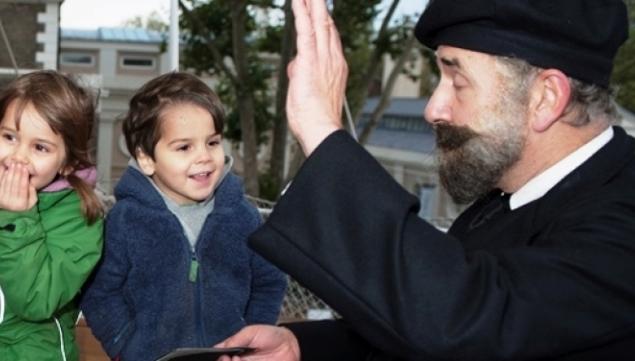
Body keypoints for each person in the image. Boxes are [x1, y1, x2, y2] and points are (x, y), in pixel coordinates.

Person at [216, 0, 635, 360]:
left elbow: (470, 321)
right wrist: (302, 346)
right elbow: (420, 319)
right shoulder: (505, 201)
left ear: (545, 98)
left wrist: (321, 131)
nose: (433, 108)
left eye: (458, 80)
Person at [80, 72, 287, 361]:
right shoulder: (125, 221)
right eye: (184, 147)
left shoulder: (242, 216)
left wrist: (252, 337)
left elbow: (270, 281)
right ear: (146, 159)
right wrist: (126, 345)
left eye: (212, 142)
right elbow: (100, 292)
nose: (204, 156)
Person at [0, 70, 104, 360]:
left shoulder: (80, 216)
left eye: (40, 147)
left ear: (68, 163)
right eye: (9, 136)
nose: (18, 156)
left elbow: (37, 300)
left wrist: (16, 217)